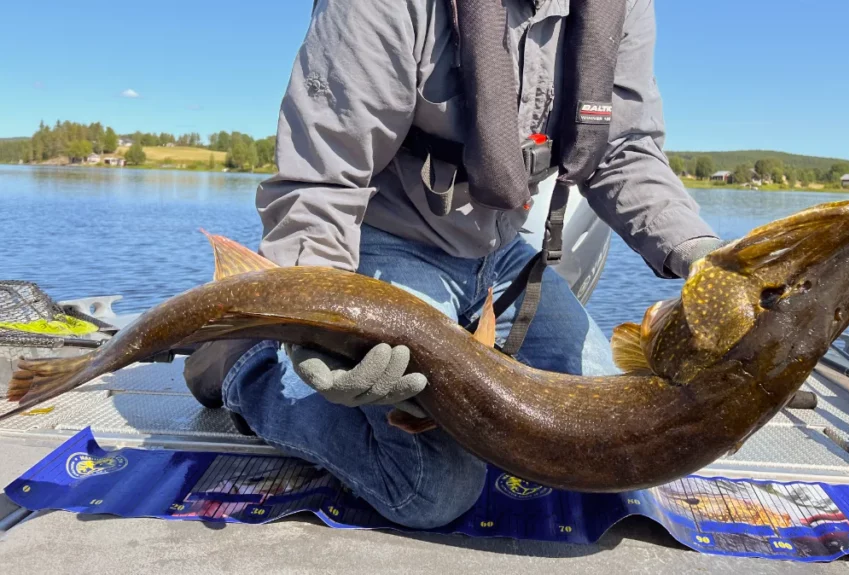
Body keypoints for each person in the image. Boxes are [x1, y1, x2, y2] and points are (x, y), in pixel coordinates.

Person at [183, 0, 723, 530]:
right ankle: (244, 362)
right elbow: (324, 173)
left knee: (616, 448)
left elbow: (621, 150)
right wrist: (312, 322)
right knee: (430, 488)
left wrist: (704, 258)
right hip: (385, 238)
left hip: (502, 253)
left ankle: (457, 331)